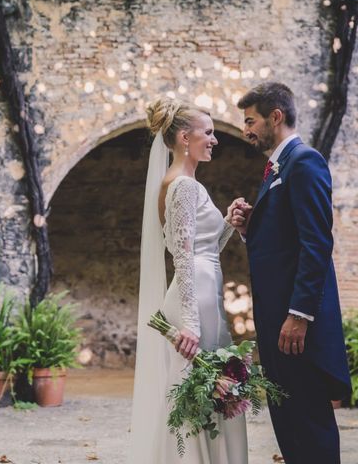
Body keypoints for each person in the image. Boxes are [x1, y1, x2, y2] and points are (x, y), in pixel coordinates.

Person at [230, 82, 351, 464]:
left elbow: (316, 244)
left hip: (295, 325)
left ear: (275, 117)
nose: (246, 130)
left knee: (308, 422)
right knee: (289, 421)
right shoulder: (278, 167)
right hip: (277, 322)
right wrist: (252, 227)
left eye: (251, 121)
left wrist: (299, 315)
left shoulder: (304, 161)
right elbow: (287, 240)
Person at [128, 98, 248, 463]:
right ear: (184, 137)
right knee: (194, 394)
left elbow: (203, 247)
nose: (214, 140)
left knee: (209, 393)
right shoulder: (183, 186)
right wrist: (191, 324)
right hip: (192, 299)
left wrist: (228, 222)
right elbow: (182, 255)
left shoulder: (187, 183)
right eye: (208, 133)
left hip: (202, 290)